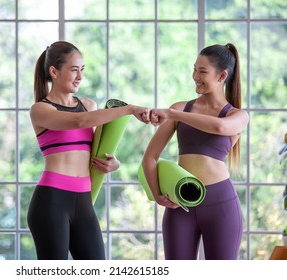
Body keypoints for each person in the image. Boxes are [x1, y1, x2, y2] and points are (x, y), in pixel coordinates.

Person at [28, 40, 162, 260]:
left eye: (82, 70)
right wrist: (129, 109)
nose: (80, 76)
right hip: (51, 201)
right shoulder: (41, 109)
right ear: (54, 71)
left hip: (83, 201)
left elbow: (94, 148)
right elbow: (80, 122)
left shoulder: (88, 104)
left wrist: (113, 163)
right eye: (74, 70)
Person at [142, 43, 249, 260]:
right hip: (181, 203)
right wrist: (157, 195)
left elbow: (219, 127)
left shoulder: (238, 115)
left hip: (221, 205)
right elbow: (150, 158)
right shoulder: (181, 108)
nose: (195, 76)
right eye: (194, 69)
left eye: (202, 71)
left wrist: (172, 114)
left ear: (222, 76)